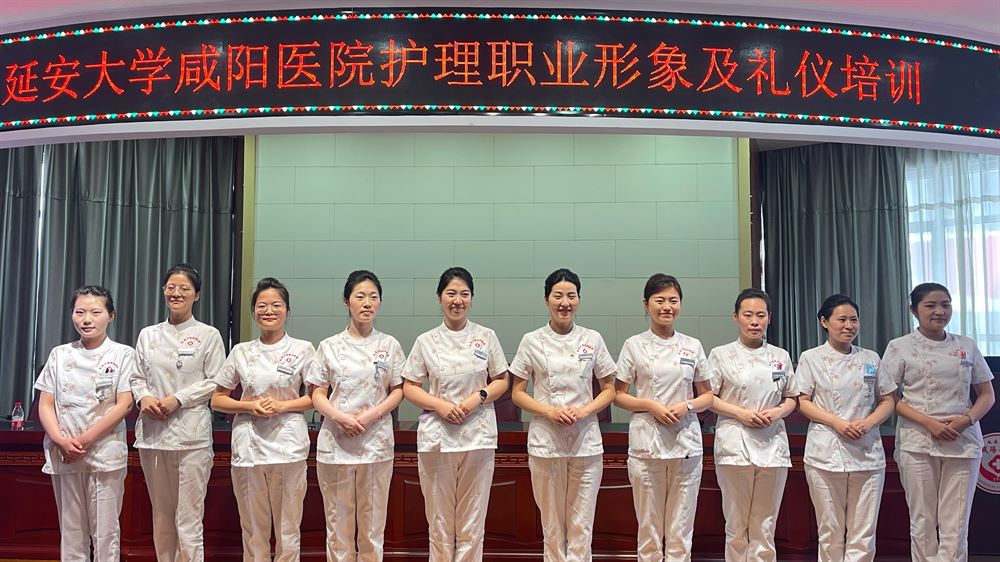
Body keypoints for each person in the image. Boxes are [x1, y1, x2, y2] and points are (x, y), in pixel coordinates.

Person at [402, 267, 510, 561]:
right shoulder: (426, 341)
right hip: (438, 438)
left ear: (472, 298)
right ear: (439, 297)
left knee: (472, 522)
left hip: (478, 436)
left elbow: (502, 379)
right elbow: (410, 386)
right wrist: (440, 405)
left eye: (464, 294)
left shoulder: (486, 336)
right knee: (439, 521)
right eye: (451, 293)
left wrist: (478, 398)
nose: (457, 300)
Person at [881, 282, 995, 561]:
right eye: (930, 305)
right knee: (922, 520)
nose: (939, 311)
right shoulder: (899, 347)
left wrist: (966, 420)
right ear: (914, 310)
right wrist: (928, 423)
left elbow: (987, 394)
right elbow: (888, 396)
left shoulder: (966, 345)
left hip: (962, 441)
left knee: (956, 521)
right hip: (917, 441)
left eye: (945, 304)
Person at [510, 268, 617, 562]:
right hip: (546, 442)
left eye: (571, 296)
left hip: (586, 442)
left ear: (579, 299)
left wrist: (584, 410)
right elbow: (517, 392)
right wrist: (549, 411)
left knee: (582, 524)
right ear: (546, 299)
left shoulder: (592, 338)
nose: (565, 303)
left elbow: (610, 388)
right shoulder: (531, 340)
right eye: (558, 296)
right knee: (552, 526)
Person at [210, 277, 316, 562]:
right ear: (254, 311)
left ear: (287, 310)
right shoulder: (242, 351)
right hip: (249, 448)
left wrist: (283, 405)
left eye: (276, 305)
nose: (269, 311)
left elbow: (316, 397)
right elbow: (217, 399)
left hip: (289, 446)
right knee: (253, 529)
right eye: (262, 305)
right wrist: (250, 406)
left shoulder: (304, 349)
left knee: (288, 528)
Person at [614, 274, 714, 562]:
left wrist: (687, 406)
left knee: (681, 528)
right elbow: (618, 394)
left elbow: (708, 395)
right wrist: (649, 405)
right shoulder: (634, 345)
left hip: (686, 444)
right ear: (646, 304)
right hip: (647, 444)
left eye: (673, 300)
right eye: (659, 300)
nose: (667, 307)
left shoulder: (692, 345)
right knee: (649, 527)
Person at [306, 270, 405, 562]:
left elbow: (398, 390)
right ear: (346, 301)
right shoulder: (329, 346)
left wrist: (372, 415)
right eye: (360, 296)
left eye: (373, 297)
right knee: (338, 525)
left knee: (372, 526)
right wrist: (340, 417)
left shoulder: (389, 345)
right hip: (336, 443)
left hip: (376, 443)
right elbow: (317, 393)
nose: (367, 303)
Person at [131, 264, 226, 562]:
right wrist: (144, 397)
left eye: (184, 288)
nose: (176, 293)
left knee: (188, 518)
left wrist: (179, 399)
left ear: (196, 295)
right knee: (161, 516)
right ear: (163, 291)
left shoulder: (208, 335)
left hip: (191, 437)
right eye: (171, 287)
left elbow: (217, 381)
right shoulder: (148, 334)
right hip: (153, 435)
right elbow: (136, 376)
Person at [35, 285, 137, 562]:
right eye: (80, 312)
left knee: (105, 533)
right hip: (65, 452)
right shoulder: (60, 354)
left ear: (111, 316)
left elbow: (125, 404)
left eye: (95, 312)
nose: (86, 319)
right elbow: (45, 403)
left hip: (105, 453)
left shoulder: (123, 354)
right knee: (71, 532)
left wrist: (85, 440)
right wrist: (60, 440)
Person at [794, 294, 896, 562]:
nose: (849, 326)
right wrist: (836, 422)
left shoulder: (870, 357)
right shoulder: (811, 358)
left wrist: (869, 422)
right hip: (825, 453)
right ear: (824, 322)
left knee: (864, 532)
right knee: (830, 530)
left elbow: (888, 399)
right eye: (842, 320)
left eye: (854, 320)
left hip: (867, 453)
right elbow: (802, 401)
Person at [707, 288, 796, 562]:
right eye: (748, 315)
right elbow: (708, 397)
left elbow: (792, 397)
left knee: (765, 524)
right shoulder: (720, 354)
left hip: (773, 444)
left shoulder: (781, 355)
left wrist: (778, 412)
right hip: (734, 445)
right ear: (735, 317)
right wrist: (741, 414)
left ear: (769, 318)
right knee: (736, 523)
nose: (755, 321)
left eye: (761, 315)